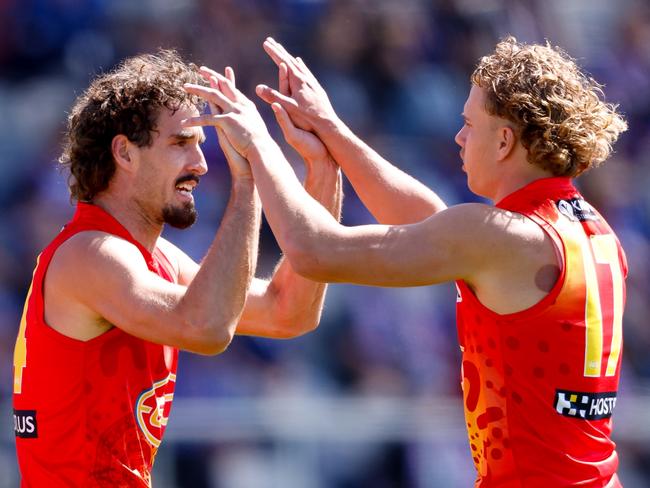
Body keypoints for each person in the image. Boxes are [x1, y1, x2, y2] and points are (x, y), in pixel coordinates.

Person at [183, 36, 628, 486]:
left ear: (504, 142)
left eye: (469, 124)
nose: (458, 137)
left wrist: (258, 143)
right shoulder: (594, 231)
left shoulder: (496, 237)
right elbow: (432, 225)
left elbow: (314, 251)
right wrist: (332, 130)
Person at [12, 50, 341, 487]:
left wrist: (323, 169)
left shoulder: (155, 260)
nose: (202, 165)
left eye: (201, 145)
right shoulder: (89, 254)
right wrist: (247, 182)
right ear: (124, 153)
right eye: (181, 143)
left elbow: (290, 311)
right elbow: (206, 327)